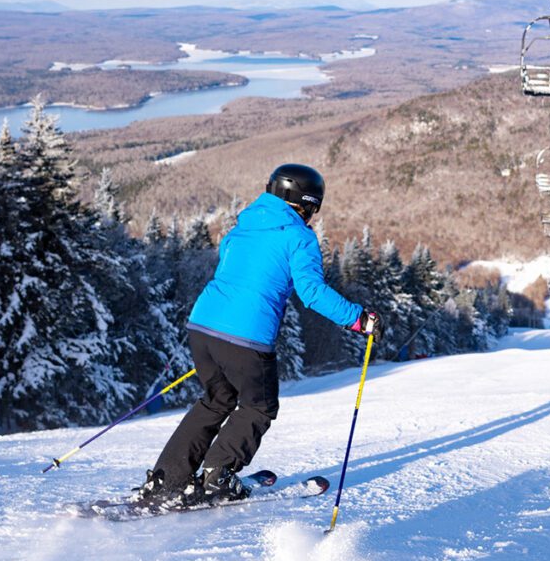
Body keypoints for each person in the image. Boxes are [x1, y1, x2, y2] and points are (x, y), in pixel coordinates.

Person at [135, 163, 381, 508]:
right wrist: (358, 320)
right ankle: (218, 476)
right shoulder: (298, 236)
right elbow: (311, 292)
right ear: (305, 203)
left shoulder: (242, 228)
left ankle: (167, 478)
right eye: (313, 207)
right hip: (247, 337)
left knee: (215, 400)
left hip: (202, 328)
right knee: (259, 405)